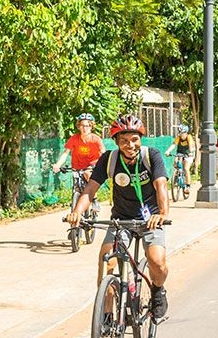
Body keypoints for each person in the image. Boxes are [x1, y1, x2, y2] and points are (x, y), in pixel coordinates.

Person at [67, 114, 171, 321]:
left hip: (149, 219)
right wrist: (77, 212)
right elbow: (90, 189)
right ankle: (106, 316)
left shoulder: (152, 156)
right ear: (116, 142)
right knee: (107, 263)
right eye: (124, 141)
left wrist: (162, 214)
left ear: (140, 139)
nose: (129, 145)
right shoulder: (110, 160)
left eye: (134, 139)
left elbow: (161, 185)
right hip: (120, 220)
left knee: (157, 262)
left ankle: (158, 292)